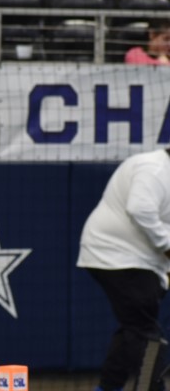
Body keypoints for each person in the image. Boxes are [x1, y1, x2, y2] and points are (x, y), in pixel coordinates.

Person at [77, 148, 170, 391]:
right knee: (145, 331)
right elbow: (140, 209)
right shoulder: (154, 168)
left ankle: (108, 388)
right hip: (114, 254)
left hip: (144, 262)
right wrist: (168, 249)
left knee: (135, 325)